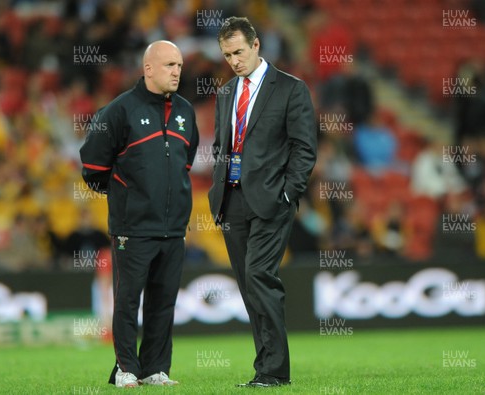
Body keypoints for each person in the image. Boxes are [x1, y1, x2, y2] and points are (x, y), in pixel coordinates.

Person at [80, 40, 199, 388]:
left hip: (173, 227)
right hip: (133, 227)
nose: (177, 71)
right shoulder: (119, 110)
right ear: (148, 68)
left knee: (163, 302)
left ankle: (155, 369)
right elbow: (92, 165)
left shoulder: (185, 111)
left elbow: (184, 162)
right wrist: (126, 197)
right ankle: (125, 369)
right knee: (128, 301)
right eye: (169, 65)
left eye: (179, 65)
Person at [208, 17, 317, 387]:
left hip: (272, 199)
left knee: (259, 276)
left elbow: (305, 148)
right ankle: (265, 369)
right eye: (227, 55)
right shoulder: (225, 94)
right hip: (232, 200)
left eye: (238, 52)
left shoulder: (290, 89)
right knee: (247, 283)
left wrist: (288, 192)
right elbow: (222, 146)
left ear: (256, 46)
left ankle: (273, 371)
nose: (233, 60)